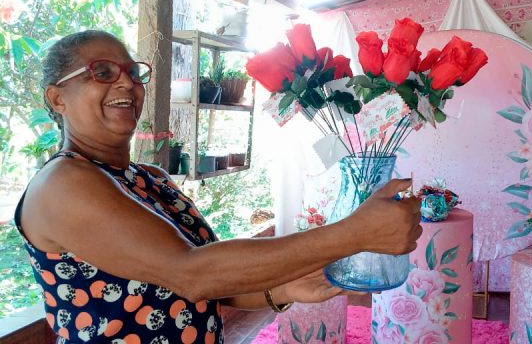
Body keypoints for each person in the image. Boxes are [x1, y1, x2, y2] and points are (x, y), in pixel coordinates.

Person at [14, 30, 422, 343]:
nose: (126, 84)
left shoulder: (150, 180)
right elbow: (192, 275)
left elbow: (211, 284)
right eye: (102, 72)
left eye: (133, 73)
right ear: (57, 99)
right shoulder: (63, 184)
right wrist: (354, 234)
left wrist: (282, 289)